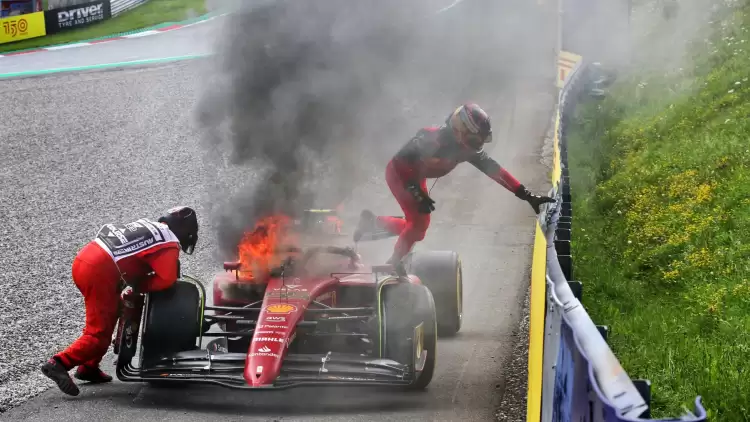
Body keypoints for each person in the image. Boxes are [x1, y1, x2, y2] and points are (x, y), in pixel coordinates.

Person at [354, 103, 555, 264]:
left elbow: (496, 172)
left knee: (418, 229)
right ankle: (393, 262)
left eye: (481, 142)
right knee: (418, 226)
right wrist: (415, 192)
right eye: (476, 140)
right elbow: (402, 163)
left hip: (415, 177)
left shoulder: (465, 148)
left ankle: (373, 223)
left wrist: (527, 195)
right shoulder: (430, 138)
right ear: (460, 130)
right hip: (400, 174)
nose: (479, 146)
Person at [40, 206, 199, 396]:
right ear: (184, 231)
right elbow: (166, 279)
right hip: (99, 273)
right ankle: (58, 363)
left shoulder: (149, 226)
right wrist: (142, 287)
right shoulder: (169, 241)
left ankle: (88, 368)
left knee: (112, 313)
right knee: (98, 335)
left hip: (84, 260)